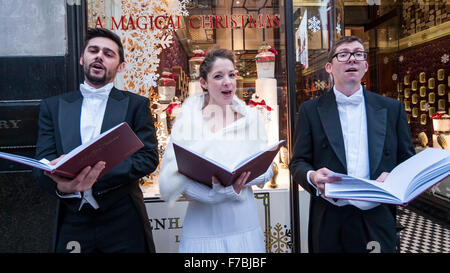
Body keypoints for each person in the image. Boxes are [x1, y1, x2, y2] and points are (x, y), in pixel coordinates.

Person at [33, 28, 159, 253]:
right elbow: (41, 162)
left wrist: (95, 173)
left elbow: (148, 158)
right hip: (73, 218)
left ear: (120, 67)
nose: (99, 55)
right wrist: (62, 185)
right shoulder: (52, 106)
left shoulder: (136, 105)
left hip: (123, 217)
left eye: (109, 53)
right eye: (93, 50)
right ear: (83, 58)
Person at [289, 36, 415, 253]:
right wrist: (312, 177)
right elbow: (298, 162)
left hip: (376, 216)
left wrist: (396, 178)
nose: (352, 60)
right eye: (344, 54)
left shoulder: (392, 108)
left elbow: (407, 160)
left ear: (365, 66)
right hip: (330, 218)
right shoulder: (311, 110)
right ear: (329, 67)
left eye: (358, 54)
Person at [158, 49, 273, 253]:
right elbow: (174, 179)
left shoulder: (251, 119)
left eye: (231, 74)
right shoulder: (189, 123)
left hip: (243, 225)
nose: (227, 81)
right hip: (203, 228)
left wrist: (242, 179)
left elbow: (268, 169)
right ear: (203, 82)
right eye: (218, 76)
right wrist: (214, 195)